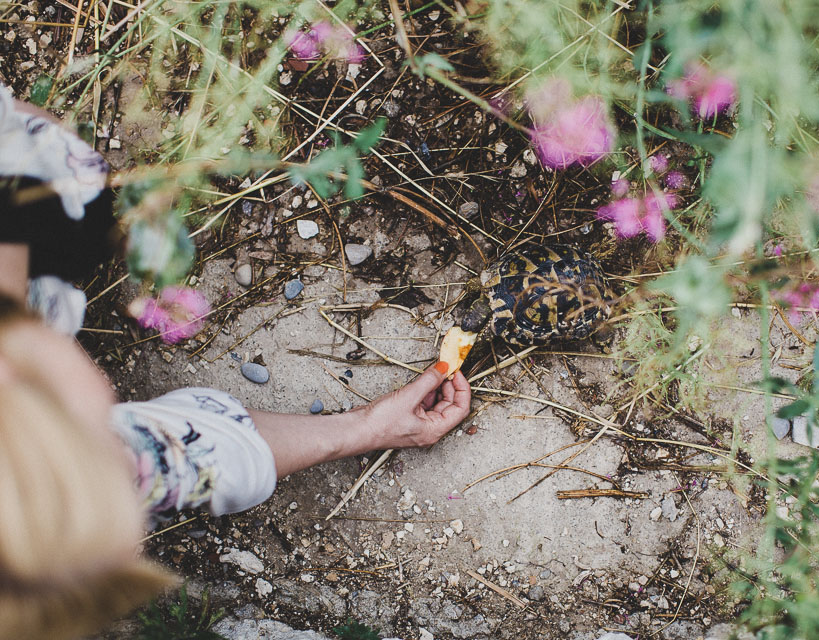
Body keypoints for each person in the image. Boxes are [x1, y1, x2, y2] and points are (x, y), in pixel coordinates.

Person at [0, 85, 472, 639]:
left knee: (72, 189)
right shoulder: (53, 486)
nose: (104, 398)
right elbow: (186, 452)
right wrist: (367, 428)